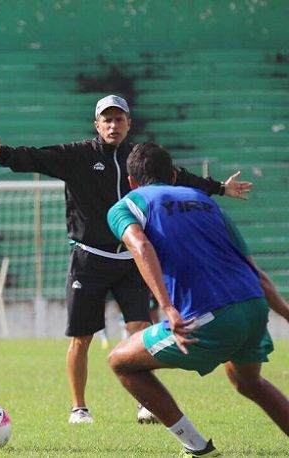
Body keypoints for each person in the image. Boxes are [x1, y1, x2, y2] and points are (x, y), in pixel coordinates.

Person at [0, 94, 253, 424]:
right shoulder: (77, 155)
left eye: (118, 119)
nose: (113, 125)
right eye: (106, 119)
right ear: (97, 125)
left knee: (139, 328)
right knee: (82, 337)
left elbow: (179, 176)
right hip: (89, 259)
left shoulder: (139, 159)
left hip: (130, 260)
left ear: (128, 124)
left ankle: (145, 403)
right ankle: (79, 408)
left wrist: (221, 188)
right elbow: (33, 158)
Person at [106, 141, 288, 456]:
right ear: (174, 175)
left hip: (207, 317)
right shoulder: (207, 203)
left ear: (132, 182)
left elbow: (141, 246)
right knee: (248, 382)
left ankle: (197, 447)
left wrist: (167, 308)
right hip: (254, 306)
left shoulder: (127, 204)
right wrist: (285, 313)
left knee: (121, 361)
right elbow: (255, 271)